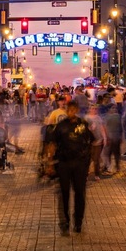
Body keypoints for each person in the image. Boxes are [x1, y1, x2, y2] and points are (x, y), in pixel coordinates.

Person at [46, 100, 94, 235]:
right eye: (69, 110)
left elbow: (91, 142)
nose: (71, 112)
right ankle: (65, 221)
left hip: (80, 164)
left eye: (73, 110)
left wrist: (91, 163)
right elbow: (52, 144)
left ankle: (78, 222)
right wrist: (50, 163)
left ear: (77, 110)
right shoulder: (61, 126)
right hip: (64, 164)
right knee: (64, 193)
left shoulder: (83, 125)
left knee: (80, 193)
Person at [85, 105, 106, 180]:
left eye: (95, 109)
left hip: (98, 141)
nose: (93, 110)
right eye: (92, 108)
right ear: (89, 109)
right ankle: (86, 174)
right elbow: (83, 129)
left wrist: (104, 138)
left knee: (96, 159)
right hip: (89, 142)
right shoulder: (86, 118)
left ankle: (97, 174)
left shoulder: (98, 118)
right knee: (88, 158)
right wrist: (90, 128)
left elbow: (102, 128)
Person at [102, 104, 123, 174]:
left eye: (115, 108)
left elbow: (120, 127)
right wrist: (106, 137)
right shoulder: (108, 117)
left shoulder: (117, 116)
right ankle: (109, 167)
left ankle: (115, 167)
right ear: (109, 109)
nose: (114, 109)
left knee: (115, 153)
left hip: (115, 138)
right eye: (112, 108)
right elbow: (104, 127)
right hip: (110, 138)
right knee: (109, 154)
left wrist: (121, 136)